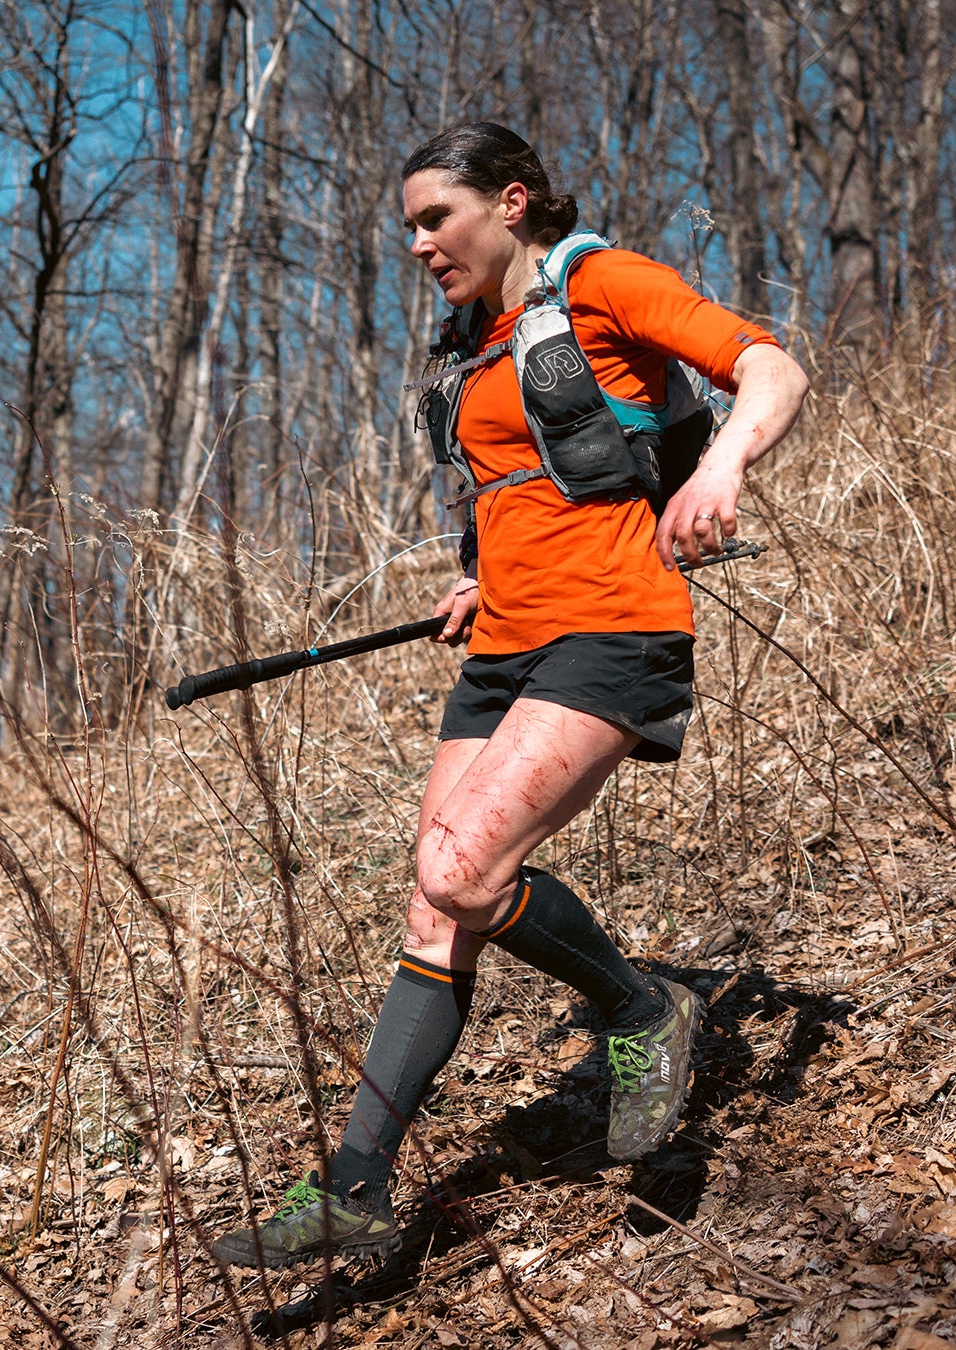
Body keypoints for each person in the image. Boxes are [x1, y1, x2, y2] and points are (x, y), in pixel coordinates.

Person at [212, 122, 808, 1270]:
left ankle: (641, 1010)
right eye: (409, 230)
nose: (421, 244)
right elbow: (531, 479)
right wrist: (478, 578)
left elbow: (770, 367)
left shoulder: (604, 282)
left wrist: (726, 466)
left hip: (615, 629)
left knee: (462, 867)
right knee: (436, 908)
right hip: (503, 649)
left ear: (513, 201)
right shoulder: (472, 340)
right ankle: (354, 1188)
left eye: (437, 219)